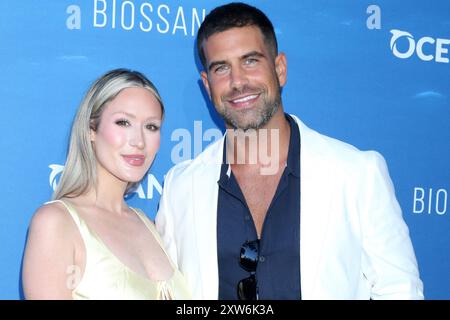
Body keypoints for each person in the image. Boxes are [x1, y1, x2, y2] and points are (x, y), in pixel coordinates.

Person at [155, 3, 424, 300]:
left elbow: (400, 291)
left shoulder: (357, 173)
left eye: (250, 61)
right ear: (207, 85)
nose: (238, 82)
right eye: (221, 68)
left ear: (279, 69)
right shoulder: (179, 187)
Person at [22, 69, 191, 300]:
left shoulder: (150, 225)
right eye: (123, 122)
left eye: (151, 126)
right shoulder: (55, 223)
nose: (139, 141)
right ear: (92, 130)